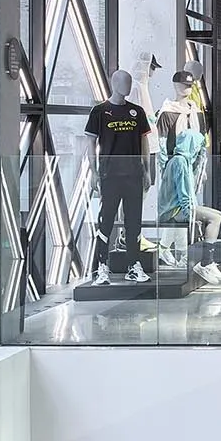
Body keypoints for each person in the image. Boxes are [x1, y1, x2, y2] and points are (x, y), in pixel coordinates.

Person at [85, 68, 153, 282]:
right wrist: (94, 172)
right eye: (123, 82)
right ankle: (101, 266)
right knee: (105, 221)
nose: (127, 86)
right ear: (114, 83)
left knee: (133, 222)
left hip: (133, 175)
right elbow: (90, 143)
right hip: (110, 175)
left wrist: (147, 170)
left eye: (129, 82)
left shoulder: (137, 112)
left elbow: (144, 143)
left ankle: (134, 264)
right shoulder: (99, 111)